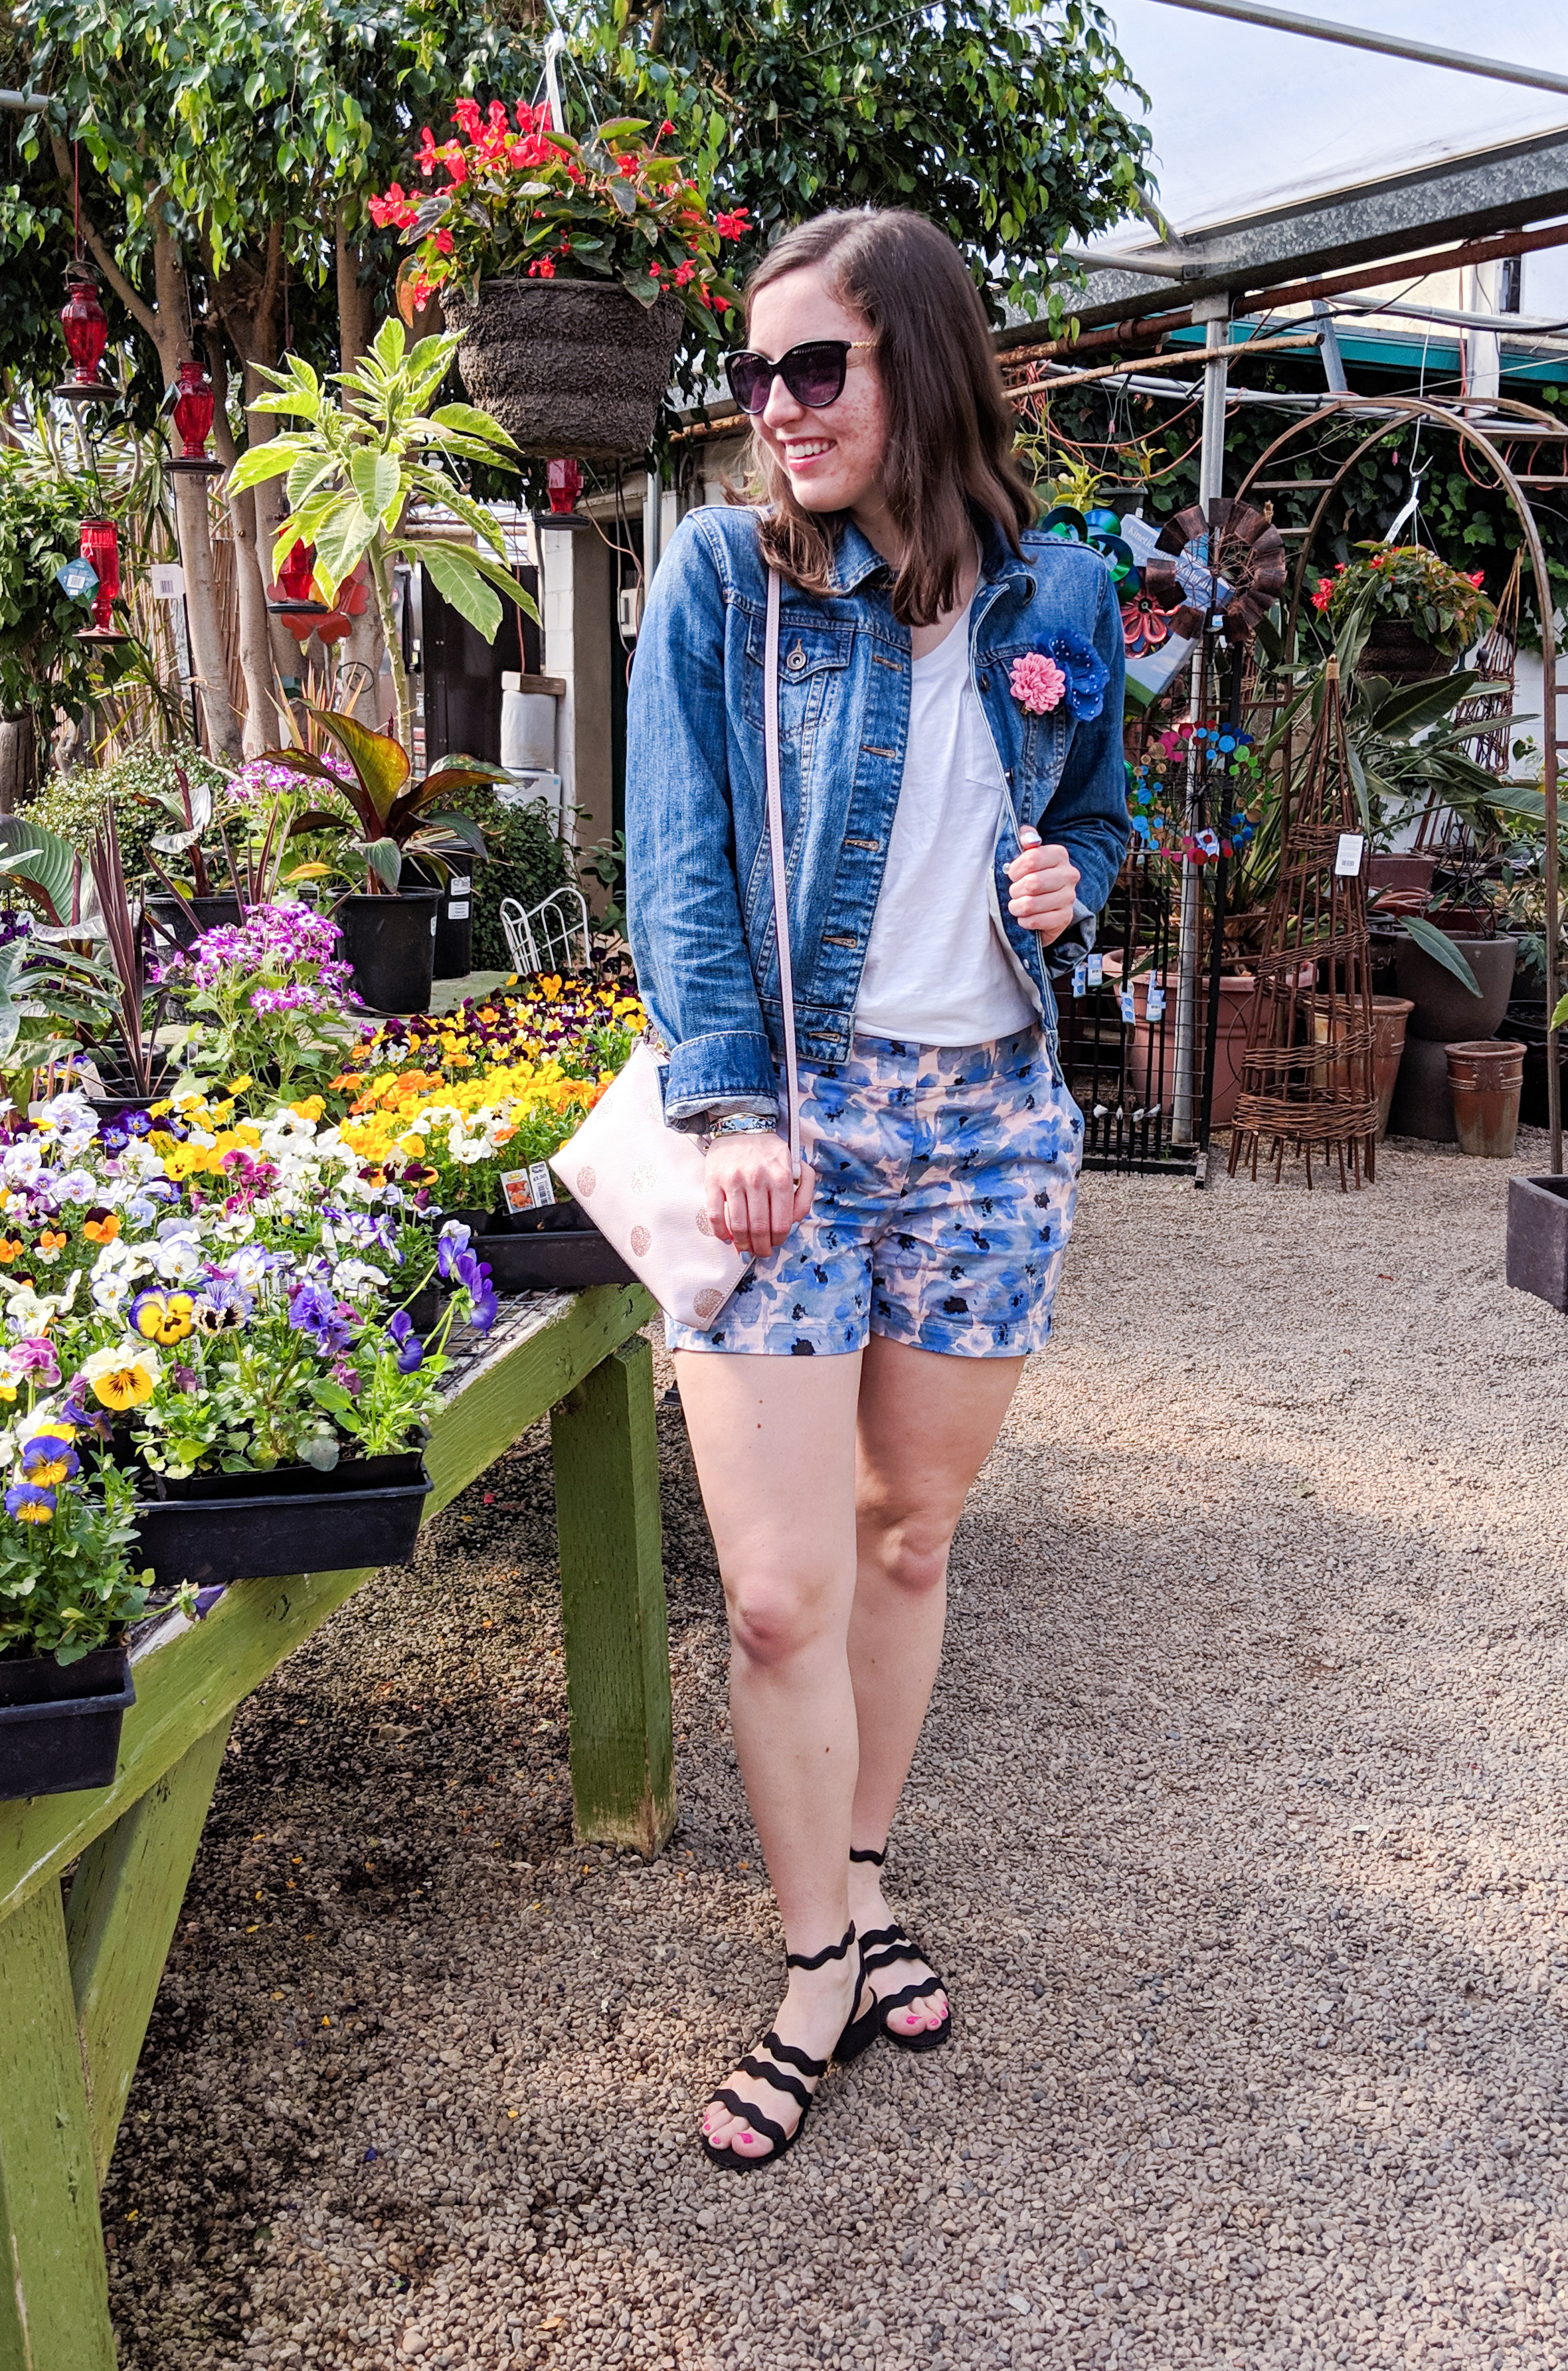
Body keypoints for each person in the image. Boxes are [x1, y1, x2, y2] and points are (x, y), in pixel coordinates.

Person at [626, 208, 1128, 2170]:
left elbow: (1089, 812)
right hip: (783, 1118)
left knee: (904, 1535)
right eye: (755, 375)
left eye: (812, 367)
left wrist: (1070, 878)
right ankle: (815, 1951)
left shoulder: (1060, 595)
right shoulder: (719, 582)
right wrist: (733, 1102)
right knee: (771, 1593)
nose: (774, 408)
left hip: (988, 1119)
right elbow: (676, 856)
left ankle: (862, 1856)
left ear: (918, 363)